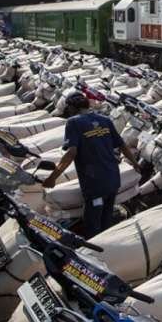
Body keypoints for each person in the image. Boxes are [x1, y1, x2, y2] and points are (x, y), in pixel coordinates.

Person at [42, 91, 139, 237]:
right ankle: (106, 242)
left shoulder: (73, 122)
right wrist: (136, 164)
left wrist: (53, 177)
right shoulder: (105, 120)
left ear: (71, 107)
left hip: (95, 182)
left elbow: (71, 153)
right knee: (106, 218)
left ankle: (93, 246)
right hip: (113, 178)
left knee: (92, 223)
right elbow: (122, 145)